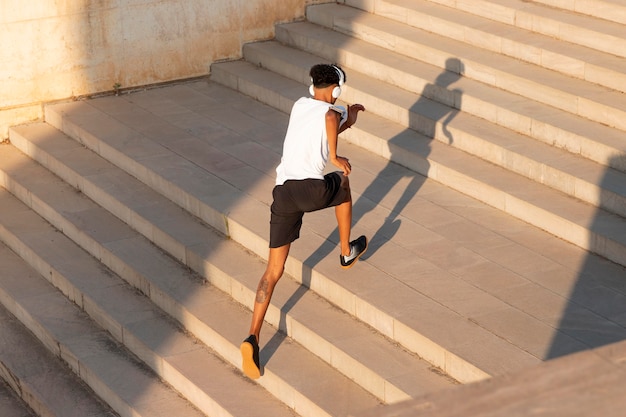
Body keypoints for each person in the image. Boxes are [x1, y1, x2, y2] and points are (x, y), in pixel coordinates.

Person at [240, 63, 367, 379]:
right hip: (311, 189)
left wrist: (346, 124)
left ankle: (252, 336)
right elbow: (327, 120)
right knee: (344, 182)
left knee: (273, 271)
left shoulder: (299, 105)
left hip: (283, 193)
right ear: (336, 89)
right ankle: (345, 250)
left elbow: (318, 133)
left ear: (313, 86)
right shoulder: (332, 109)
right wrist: (337, 153)